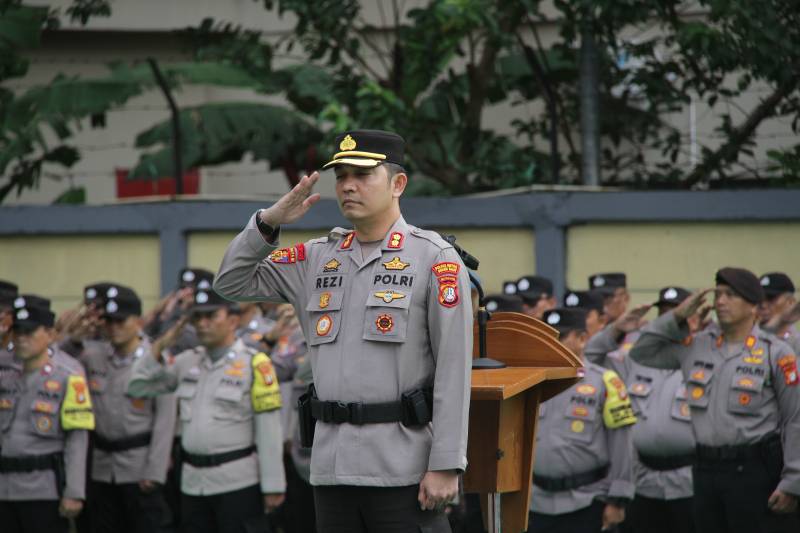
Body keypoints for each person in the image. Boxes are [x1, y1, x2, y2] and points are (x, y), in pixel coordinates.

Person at [213, 129, 473, 533]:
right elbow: (230, 282)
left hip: (403, 468)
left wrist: (446, 465)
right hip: (332, 469)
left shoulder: (433, 258)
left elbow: (454, 370)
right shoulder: (315, 258)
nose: (348, 185)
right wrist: (269, 222)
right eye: (341, 175)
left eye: (363, 174)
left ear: (398, 184)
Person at [629, 267, 800, 533]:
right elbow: (642, 353)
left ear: (753, 304)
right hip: (705, 471)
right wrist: (676, 316)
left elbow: (794, 420)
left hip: (755, 471)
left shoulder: (776, 353)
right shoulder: (696, 346)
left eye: (731, 295)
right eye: (718, 294)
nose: (720, 301)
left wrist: (793, 481)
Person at [127, 283, 286, 533]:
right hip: (193, 484)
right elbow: (136, 387)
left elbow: (269, 430)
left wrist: (273, 485)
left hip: (238, 484)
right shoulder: (186, 361)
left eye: (211, 316)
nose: (202, 324)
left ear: (233, 320)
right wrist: (159, 345)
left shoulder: (255, 364)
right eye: (197, 317)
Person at [586, 287, 698, 533]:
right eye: (666, 315)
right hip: (642, 482)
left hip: (690, 483)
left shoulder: (704, 356)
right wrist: (616, 329)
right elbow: (588, 360)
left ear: (696, 319)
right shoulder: (635, 358)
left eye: (678, 315)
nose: (672, 322)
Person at [528, 308, 636, 533]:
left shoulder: (606, 381)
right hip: (536, 503)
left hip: (587, 501)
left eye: (560, 336)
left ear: (582, 339)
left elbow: (622, 446)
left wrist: (618, 499)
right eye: (548, 336)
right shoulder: (532, 382)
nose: (552, 343)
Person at [80, 285, 176, 533]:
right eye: (109, 322)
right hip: (102, 469)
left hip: (139, 467)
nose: (114, 327)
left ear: (138, 322)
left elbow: (165, 421)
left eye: (121, 321)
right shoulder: (92, 356)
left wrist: (155, 472)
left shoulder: (155, 360)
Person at [0, 297, 95, 533]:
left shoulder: (69, 377)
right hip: (4, 489)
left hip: (44, 489)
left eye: (30, 332)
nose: (21, 338)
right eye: (18, 331)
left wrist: (74, 492)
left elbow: (77, 439)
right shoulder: (5, 377)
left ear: (51, 335)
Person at [759, 272, 800, 353]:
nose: (763, 305)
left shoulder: (796, 344)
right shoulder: (745, 336)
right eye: (759, 298)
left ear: (791, 302)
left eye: (770, 298)